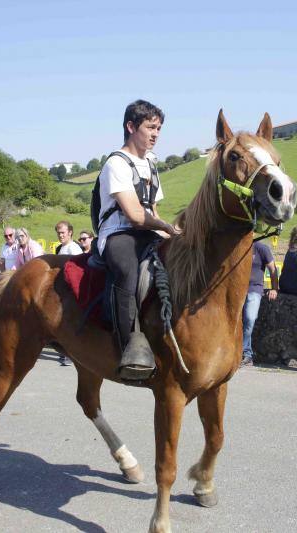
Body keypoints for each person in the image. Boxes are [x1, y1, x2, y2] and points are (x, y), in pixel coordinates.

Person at [95, 99, 179, 380]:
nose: (156, 134)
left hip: (147, 231)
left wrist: (171, 233)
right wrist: (165, 225)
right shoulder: (116, 164)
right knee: (127, 271)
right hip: (118, 234)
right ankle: (128, 346)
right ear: (131, 126)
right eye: (150, 127)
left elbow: (152, 210)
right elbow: (133, 214)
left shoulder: (151, 164)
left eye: (159, 128)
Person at [241, 240, 278, 367]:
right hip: (238, 290)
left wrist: (274, 288)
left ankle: (245, 353)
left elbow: (273, 269)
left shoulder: (261, 248)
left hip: (254, 289)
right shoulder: (237, 246)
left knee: (250, 319)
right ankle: (244, 354)